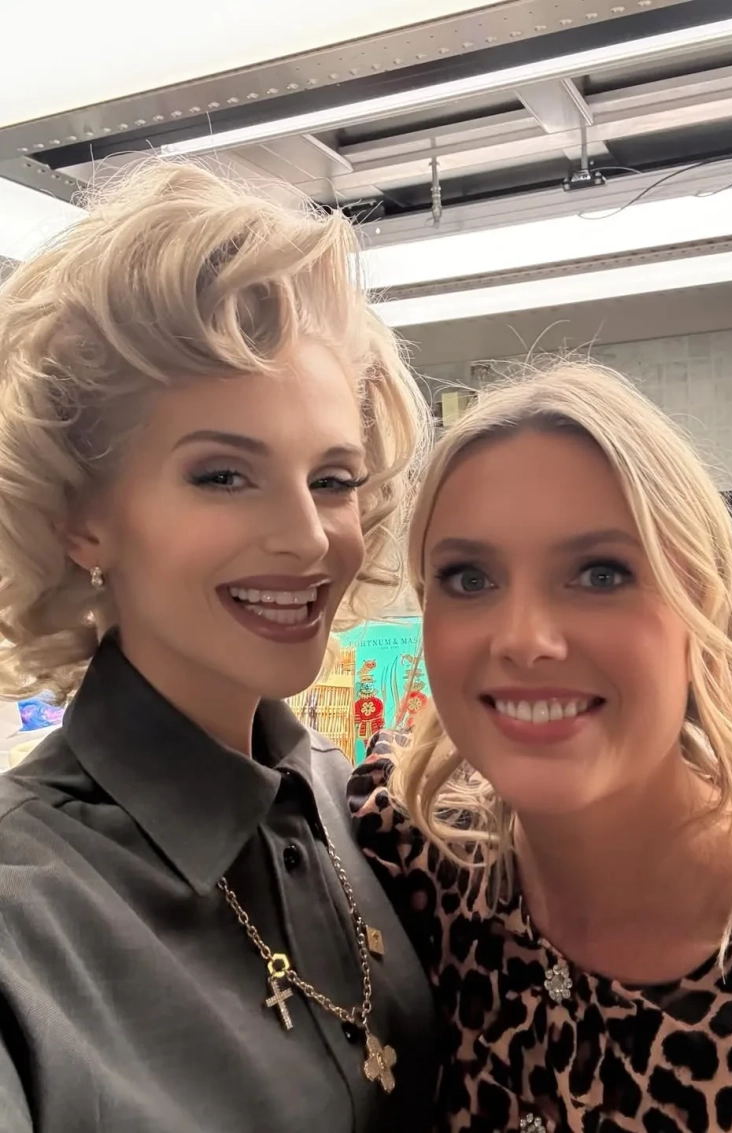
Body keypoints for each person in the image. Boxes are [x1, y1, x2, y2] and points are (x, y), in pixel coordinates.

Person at [0, 159, 437, 1133]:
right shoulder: (25, 922)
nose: (307, 537)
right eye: (223, 476)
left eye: (332, 479)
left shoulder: (354, 808)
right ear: (82, 517)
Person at [350, 362, 732, 1133]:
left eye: (600, 572)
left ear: (703, 604)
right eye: (469, 578)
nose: (524, 639)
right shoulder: (405, 855)